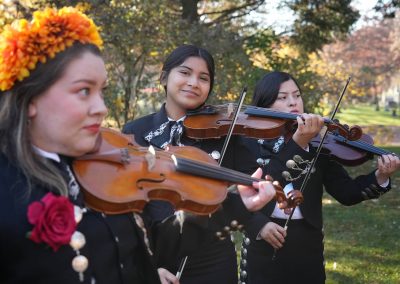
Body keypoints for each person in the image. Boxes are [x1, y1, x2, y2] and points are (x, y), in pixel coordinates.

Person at [0, 8, 276, 284]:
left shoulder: (101, 166)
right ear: (31, 98)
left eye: (102, 92)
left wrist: (233, 203)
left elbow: (148, 246)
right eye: (84, 91)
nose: (101, 108)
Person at [240, 71, 400, 284]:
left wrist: (380, 176)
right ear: (265, 103)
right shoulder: (249, 141)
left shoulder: (318, 142)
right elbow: (246, 190)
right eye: (282, 97)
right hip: (263, 239)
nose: (293, 102)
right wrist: (258, 224)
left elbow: (346, 192)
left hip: (308, 244)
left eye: (297, 95)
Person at [123, 44, 263, 284]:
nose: (194, 82)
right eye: (185, 72)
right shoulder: (135, 132)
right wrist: (146, 265)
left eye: (203, 78)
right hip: (155, 255)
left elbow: (252, 181)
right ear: (165, 77)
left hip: (213, 257)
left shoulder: (224, 133)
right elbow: (128, 204)